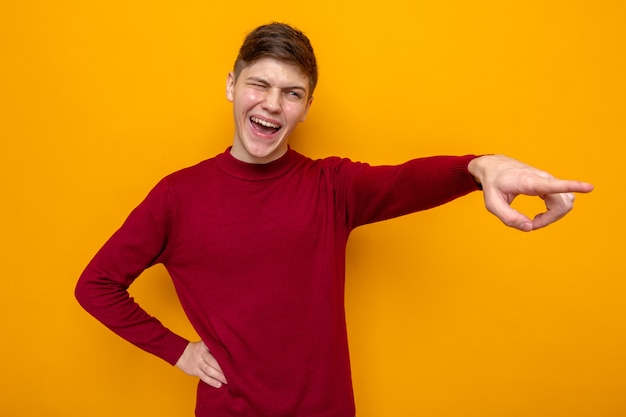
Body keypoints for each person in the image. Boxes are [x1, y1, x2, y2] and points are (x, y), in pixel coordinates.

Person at [75, 22, 593, 417]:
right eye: (260, 85)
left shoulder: (331, 186)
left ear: (306, 106)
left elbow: (404, 180)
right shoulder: (177, 196)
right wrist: (178, 352)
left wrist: (480, 167)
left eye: (292, 93)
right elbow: (96, 284)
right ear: (232, 85)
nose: (272, 105)